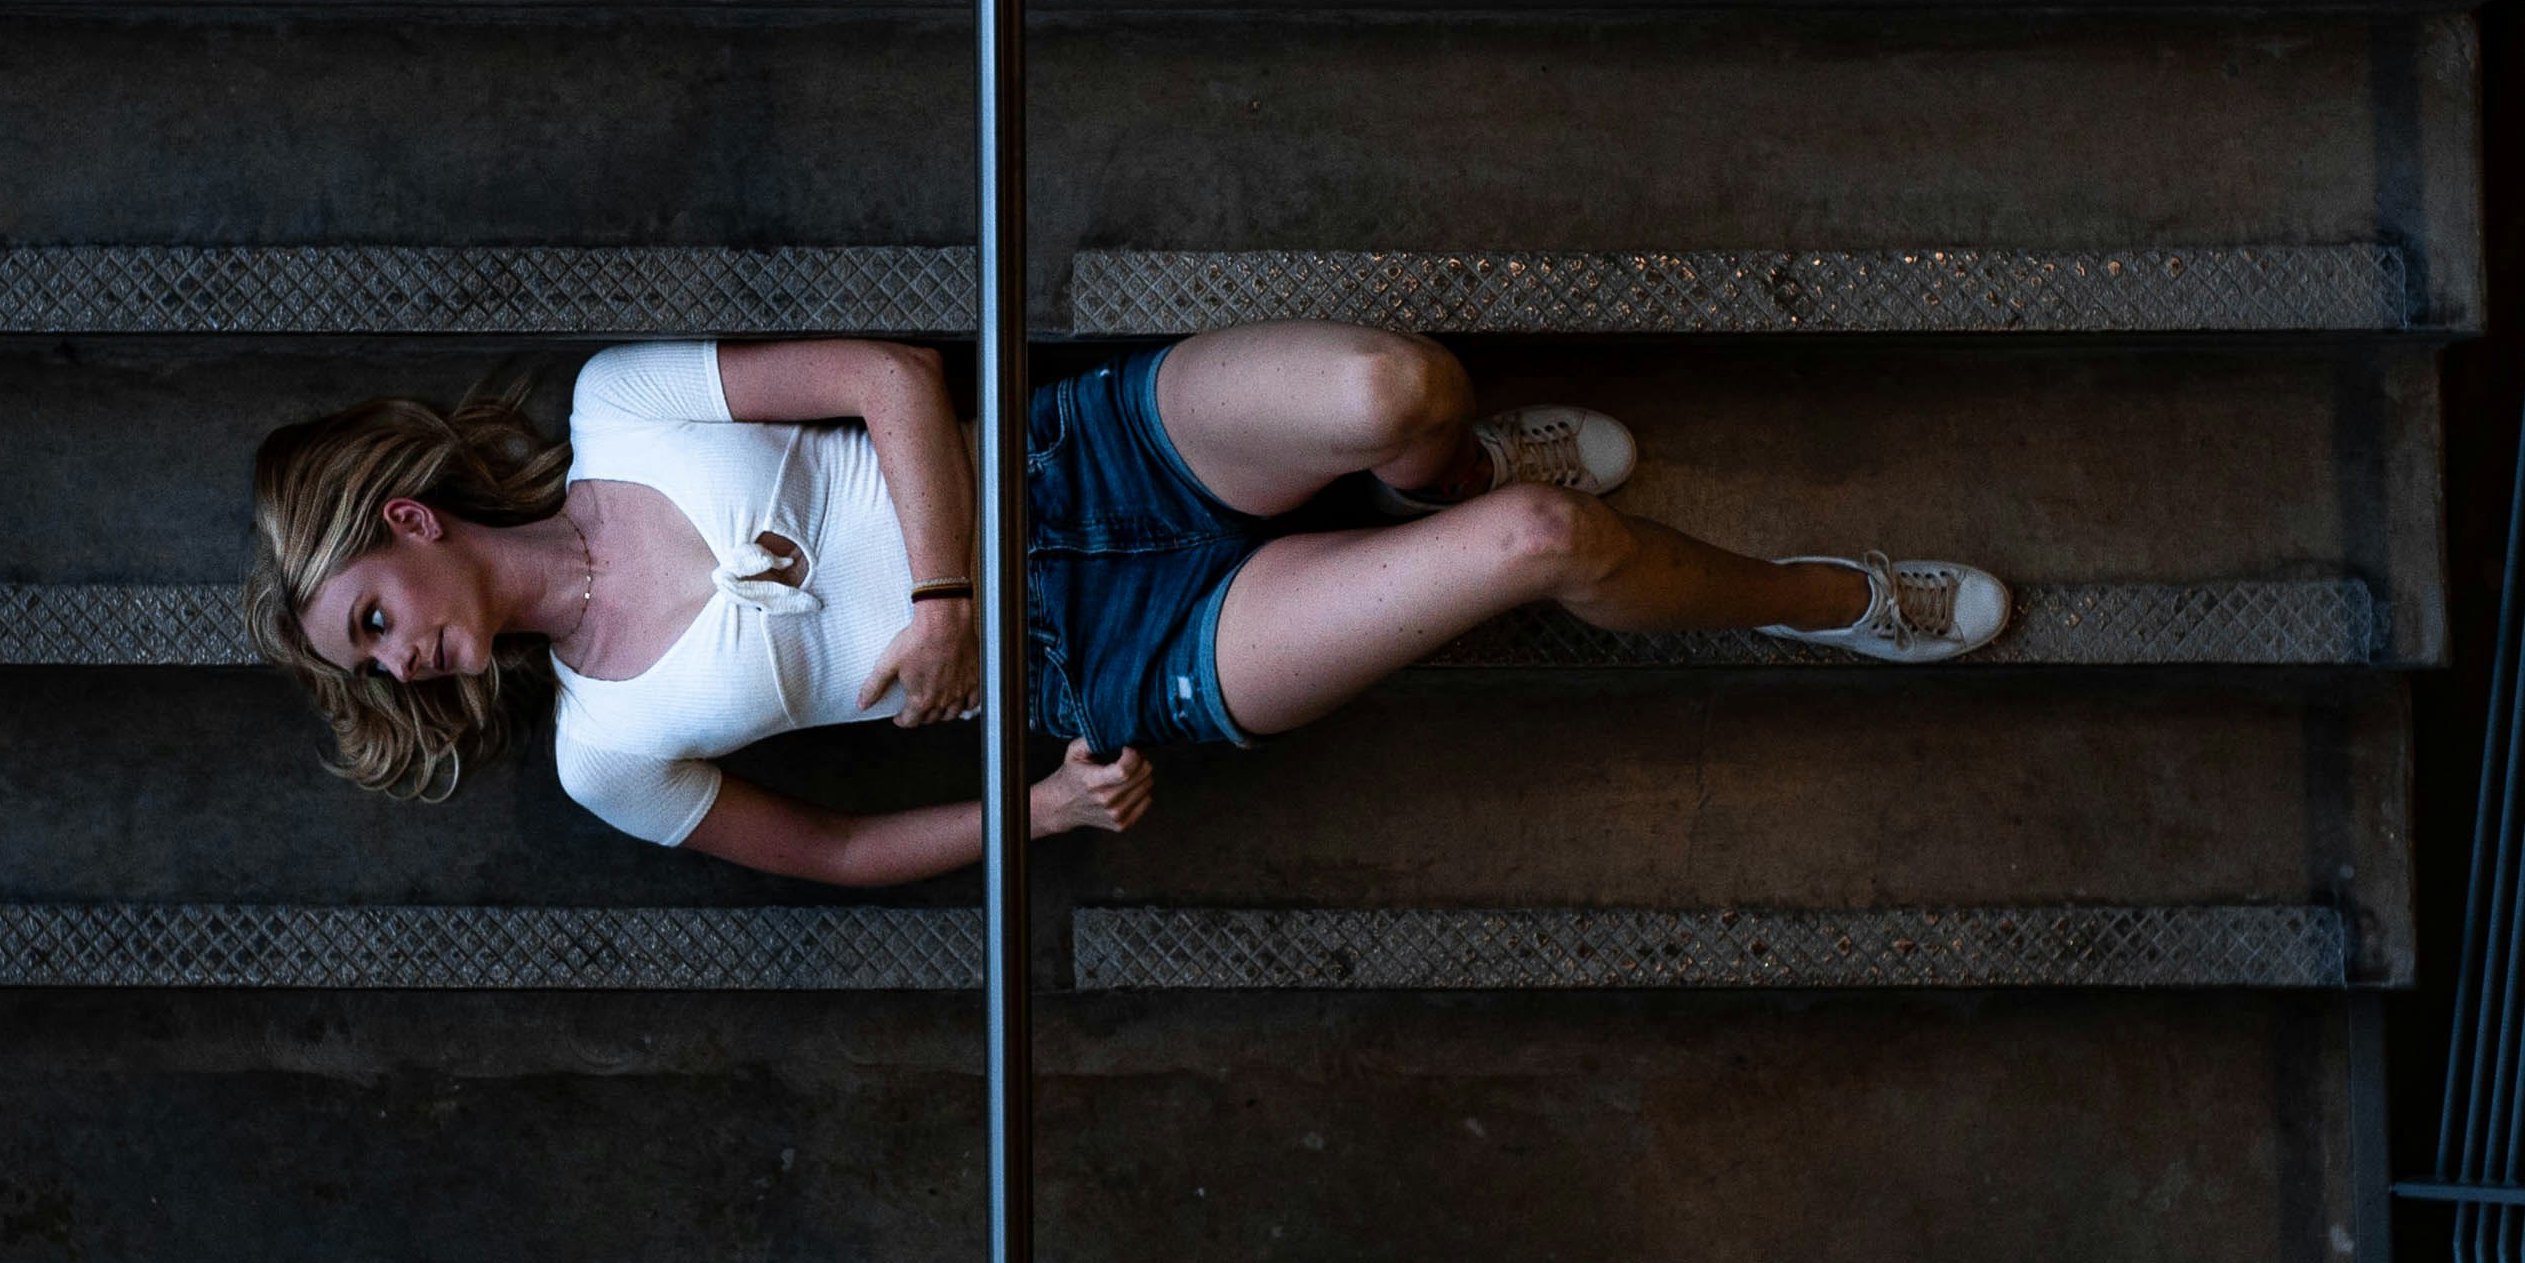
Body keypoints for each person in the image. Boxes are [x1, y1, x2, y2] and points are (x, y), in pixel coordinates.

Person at [245, 326, 2005, 887]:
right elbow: (842, 859)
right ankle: (1820, 598)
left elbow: (883, 373)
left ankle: (1429, 469)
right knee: (1546, 539)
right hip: (1110, 658)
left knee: (1401, 380)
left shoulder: (622, 403)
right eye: (379, 668)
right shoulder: (602, 758)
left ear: (406, 522)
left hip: (1066, 467)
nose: (410, 660)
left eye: (376, 618)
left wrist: (934, 587)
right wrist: (1040, 808)